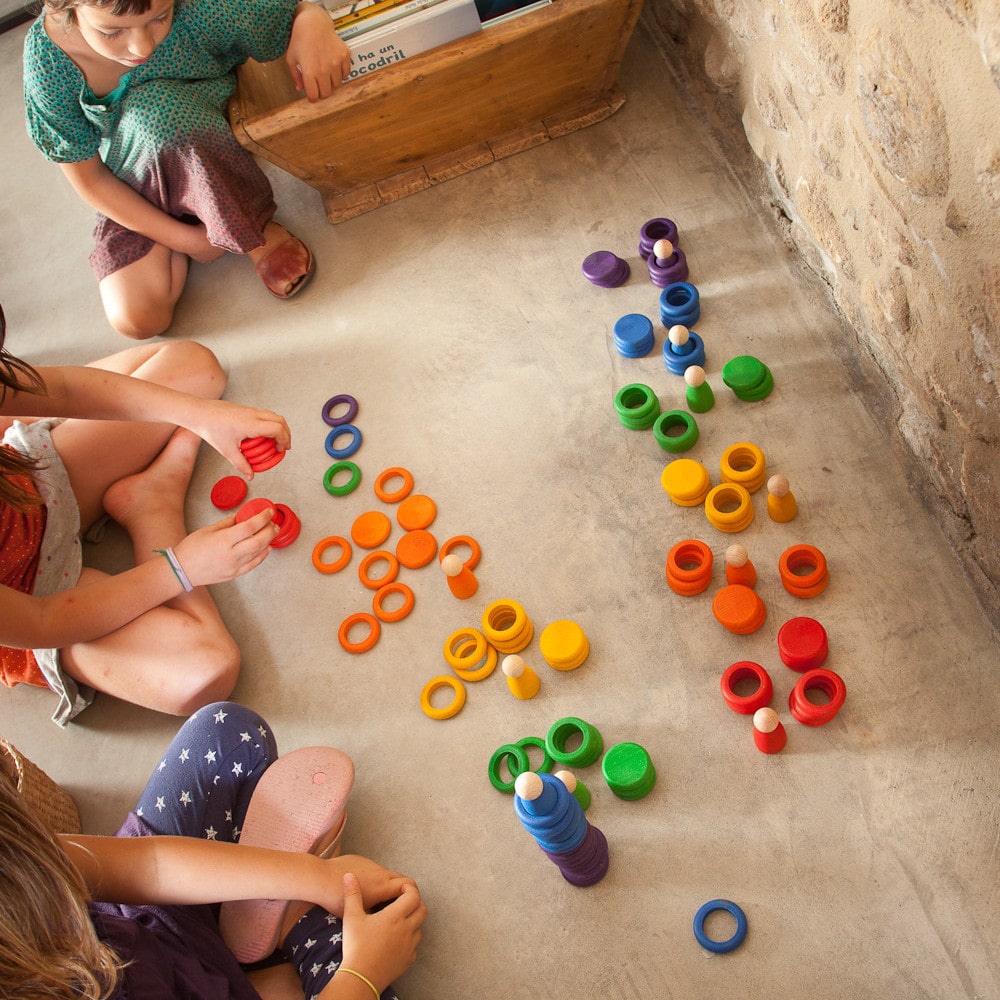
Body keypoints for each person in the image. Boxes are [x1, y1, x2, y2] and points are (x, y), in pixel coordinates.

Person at [0, 700, 427, 1000]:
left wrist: (318, 876)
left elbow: (150, 866)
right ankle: (276, 960)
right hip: (167, 981)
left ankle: (266, 948)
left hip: (141, 931)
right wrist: (362, 976)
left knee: (227, 733)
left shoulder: (12, 857)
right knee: (375, 954)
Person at [0, 302, 290, 724]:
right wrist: (181, 567)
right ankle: (154, 508)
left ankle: (142, 485)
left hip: (33, 488)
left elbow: (63, 387)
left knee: (193, 369)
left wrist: (202, 415)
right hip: (37, 600)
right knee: (204, 674)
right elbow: (44, 621)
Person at [23, 0, 352, 339]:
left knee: (156, 118)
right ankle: (198, 213)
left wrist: (314, 21)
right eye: (112, 31)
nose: (142, 46)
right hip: (128, 173)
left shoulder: (206, 6)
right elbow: (89, 180)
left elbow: (294, 8)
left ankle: (249, 229)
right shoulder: (47, 63)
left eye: (160, 17)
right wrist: (185, 240)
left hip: (190, 135)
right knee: (138, 319)